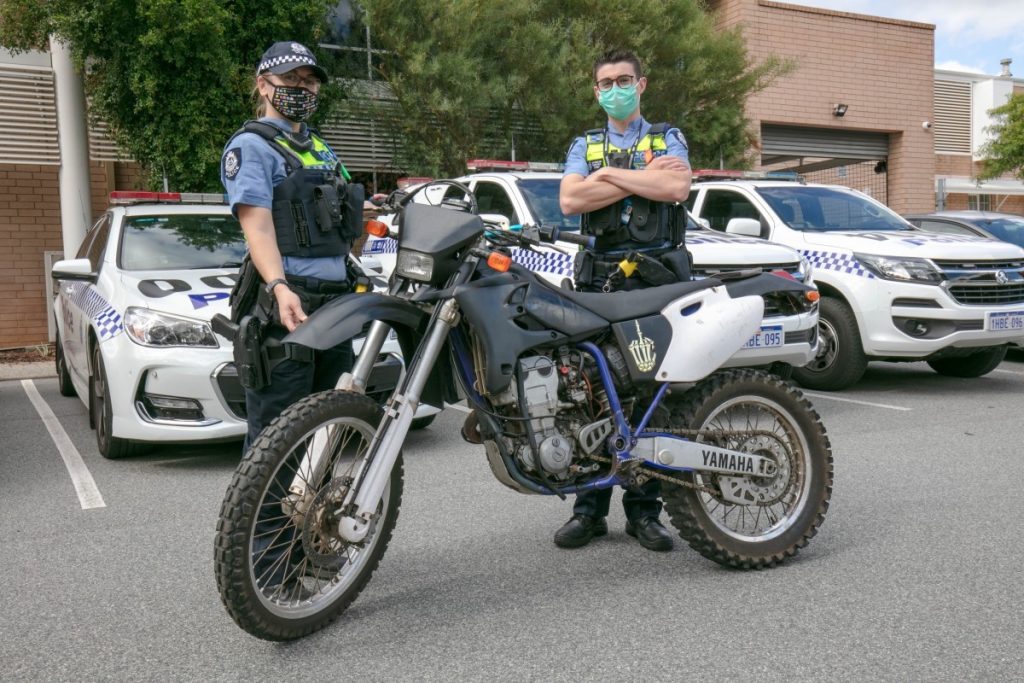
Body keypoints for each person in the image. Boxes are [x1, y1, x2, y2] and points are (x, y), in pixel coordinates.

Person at [555, 48, 693, 552]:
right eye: (606, 82)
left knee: (650, 396)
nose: (616, 89)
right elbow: (570, 200)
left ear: (642, 84)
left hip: (655, 283)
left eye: (624, 80)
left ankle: (644, 512)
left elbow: (676, 186)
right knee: (589, 392)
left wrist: (606, 177)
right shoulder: (584, 144)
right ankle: (588, 510)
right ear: (596, 91)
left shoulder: (668, 137)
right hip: (599, 284)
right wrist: (641, 178)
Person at [221, 41, 364, 451]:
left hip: (334, 303)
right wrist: (279, 287)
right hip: (287, 307)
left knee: (330, 427)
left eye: (310, 81)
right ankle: (266, 501)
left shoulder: (319, 146)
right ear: (263, 85)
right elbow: (259, 228)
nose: (302, 88)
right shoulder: (251, 147)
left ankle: (315, 497)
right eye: (290, 79)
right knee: (277, 436)